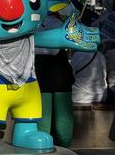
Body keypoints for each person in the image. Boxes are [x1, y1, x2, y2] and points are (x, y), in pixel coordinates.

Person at [34, 14, 74, 148]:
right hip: (60, 70)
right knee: (64, 115)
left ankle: (43, 146)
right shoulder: (59, 23)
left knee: (43, 115)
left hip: (40, 70)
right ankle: (65, 147)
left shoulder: (33, 24)